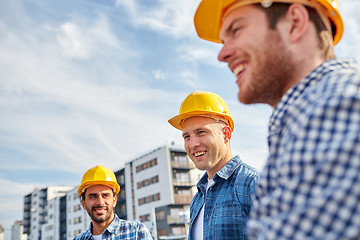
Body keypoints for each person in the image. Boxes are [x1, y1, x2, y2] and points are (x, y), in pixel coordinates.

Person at [193, 0, 360, 239]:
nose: (222, 54)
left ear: (294, 23)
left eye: (237, 30)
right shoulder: (302, 122)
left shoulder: (336, 107)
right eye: (223, 41)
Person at [168, 90, 259, 240]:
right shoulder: (197, 200)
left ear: (226, 134)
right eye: (187, 136)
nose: (193, 144)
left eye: (201, 132)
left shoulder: (252, 183)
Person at [73, 165, 153, 240]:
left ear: (114, 200)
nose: (100, 202)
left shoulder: (137, 232)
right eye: (93, 196)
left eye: (105, 195)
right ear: (83, 203)